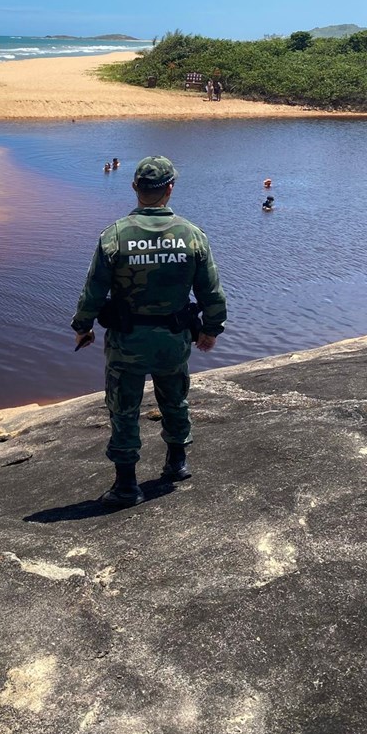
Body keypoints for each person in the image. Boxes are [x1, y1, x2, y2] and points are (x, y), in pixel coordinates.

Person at [71, 155, 227, 506]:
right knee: (175, 399)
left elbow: (93, 291)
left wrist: (83, 327)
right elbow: (212, 292)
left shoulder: (115, 236)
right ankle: (177, 463)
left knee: (123, 408)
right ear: (170, 188)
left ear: (135, 188)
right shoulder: (192, 235)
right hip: (172, 339)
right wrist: (211, 330)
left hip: (127, 341)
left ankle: (127, 485)